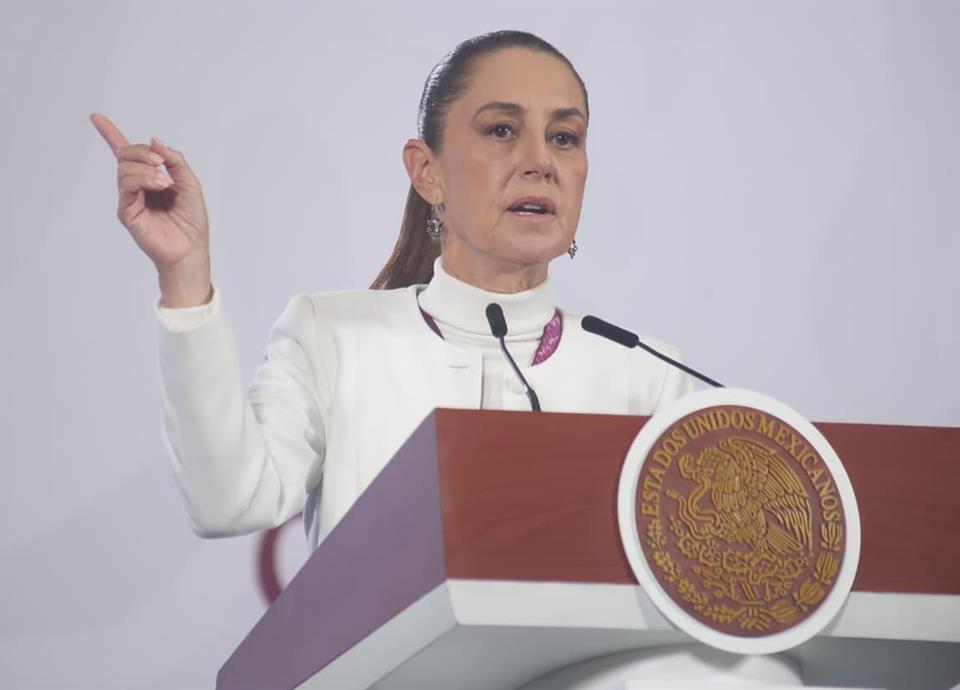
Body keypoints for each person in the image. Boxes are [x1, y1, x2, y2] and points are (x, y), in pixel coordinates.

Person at [91, 29, 808, 689]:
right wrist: (185, 275)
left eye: (564, 138)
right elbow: (227, 498)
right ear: (426, 171)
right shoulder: (334, 334)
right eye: (501, 130)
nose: (540, 162)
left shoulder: (646, 374)